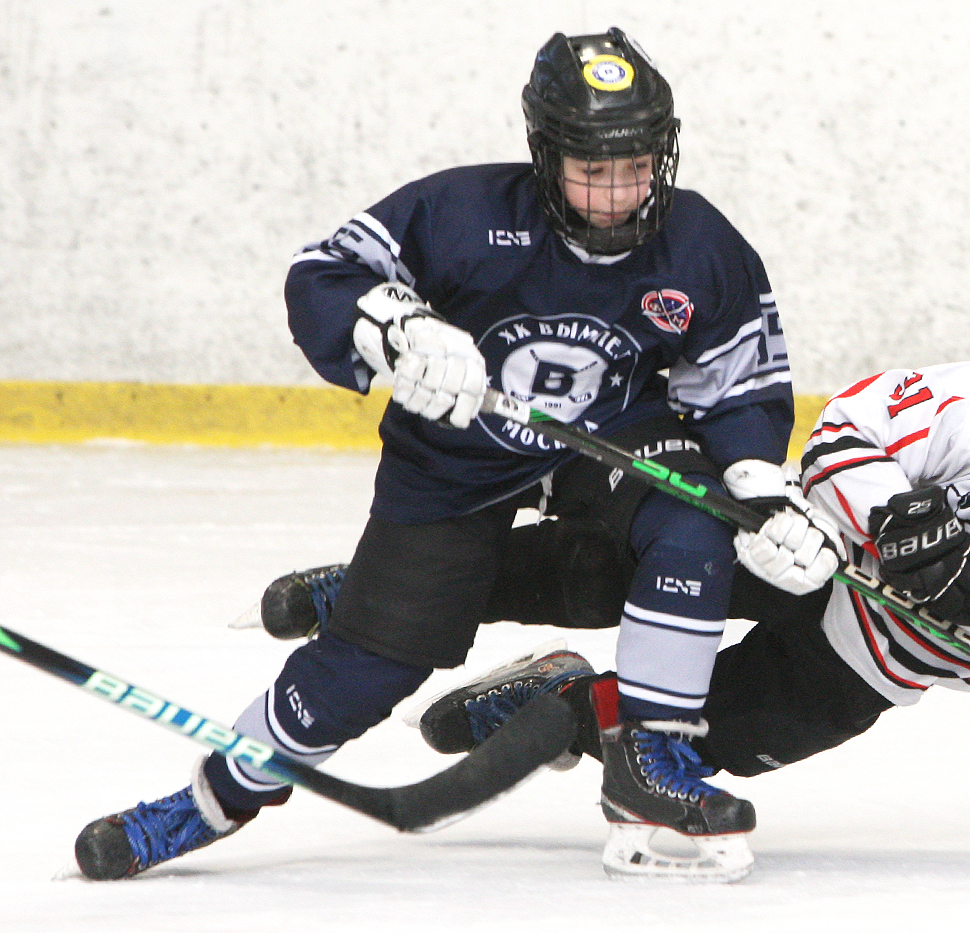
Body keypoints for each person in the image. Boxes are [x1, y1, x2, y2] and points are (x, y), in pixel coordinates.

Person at [72, 28, 840, 883]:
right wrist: (393, 325)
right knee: (368, 668)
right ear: (545, 156)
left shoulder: (698, 242)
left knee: (697, 526)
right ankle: (210, 797)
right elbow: (323, 272)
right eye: (594, 167)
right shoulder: (464, 214)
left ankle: (648, 763)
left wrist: (754, 482)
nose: (621, 191)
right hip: (453, 460)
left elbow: (738, 381)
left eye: (638, 164)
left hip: (610, 439)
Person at [407, 297, 970, 868]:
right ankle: (429, 584)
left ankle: (560, 696)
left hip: (869, 664)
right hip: (819, 550)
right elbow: (850, 430)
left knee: (680, 743)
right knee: (613, 568)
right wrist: (895, 515)